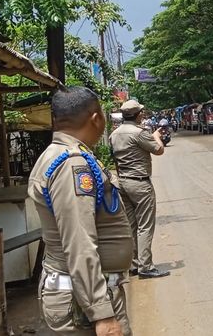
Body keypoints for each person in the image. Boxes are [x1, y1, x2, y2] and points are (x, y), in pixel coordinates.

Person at [28, 86, 132, 335]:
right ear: (96, 119)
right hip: (82, 302)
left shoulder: (62, 155)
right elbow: (79, 242)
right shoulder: (72, 165)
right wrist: (102, 313)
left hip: (82, 295)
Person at [109, 100, 169, 279]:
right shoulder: (139, 133)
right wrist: (156, 135)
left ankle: (134, 264)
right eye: (141, 112)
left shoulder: (114, 134)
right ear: (137, 114)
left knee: (131, 225)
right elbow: (158, 150)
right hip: (140, 183)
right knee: (145, 225)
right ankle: (146, 266)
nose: (143, 114)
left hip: (123, 182)